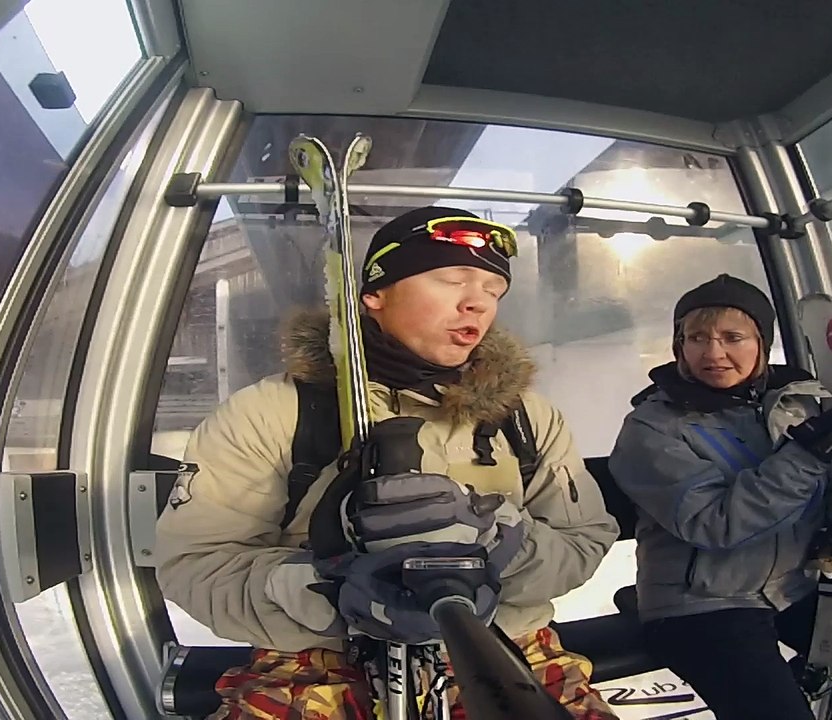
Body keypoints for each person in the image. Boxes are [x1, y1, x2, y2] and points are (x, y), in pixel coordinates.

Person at [155, 206, 621, 719]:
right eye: (452, 280)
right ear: (373, 295)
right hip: (317, 658)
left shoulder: (525, 418)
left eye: (493, 291)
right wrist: (332, 589)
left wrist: (500, 550)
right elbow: (195, 563)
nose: (477, 304)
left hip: (506, 646)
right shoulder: (275, 412)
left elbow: (585, 538)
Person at [607, 274, 832, 720]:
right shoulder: (652, 428)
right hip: (701, 602)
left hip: (790, 586)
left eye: (732, 337)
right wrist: (815, 444)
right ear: (678, 346)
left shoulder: (794, 404)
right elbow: (717, 523)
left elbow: (831, 492)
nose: (713, 352)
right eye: (696, 338)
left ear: (762, 343)